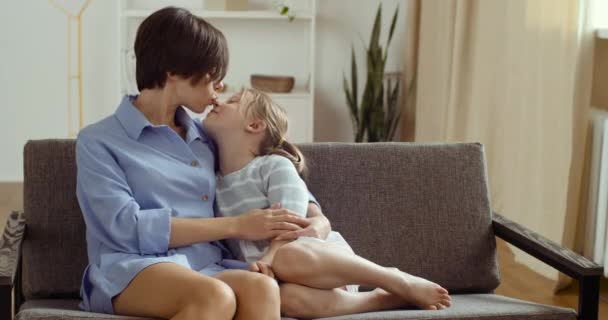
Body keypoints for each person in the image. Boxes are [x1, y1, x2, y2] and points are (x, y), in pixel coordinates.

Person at [75, 7, 330, 320]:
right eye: (213, 78)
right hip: (132, 267)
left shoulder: (208, 137)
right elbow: (124, 227)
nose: (218, 91)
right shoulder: (99, 141)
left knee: (263, 288)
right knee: (216, 296)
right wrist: (236, 225)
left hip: (206, 264)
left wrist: (316, 219)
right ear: (172, 71)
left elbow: (268, 171)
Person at [203, 87, 453, 318]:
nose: (219, 101)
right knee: (284, 299)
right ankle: (378, 300)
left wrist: (270, 257)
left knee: (287, 257)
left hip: (319, 263)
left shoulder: (273, 165)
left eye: (233, 101)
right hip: (275, 276)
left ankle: (393, 278)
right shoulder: (212, 181)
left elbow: (290, 220)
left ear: (255, 125)